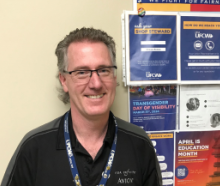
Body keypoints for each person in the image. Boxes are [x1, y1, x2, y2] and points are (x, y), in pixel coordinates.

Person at [1, 28, 162, 186]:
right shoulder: (34, 148)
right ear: (64, 80)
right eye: (82, 72)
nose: (96, 84)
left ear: (114, 77)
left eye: (104, 70)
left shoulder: (140, 144)